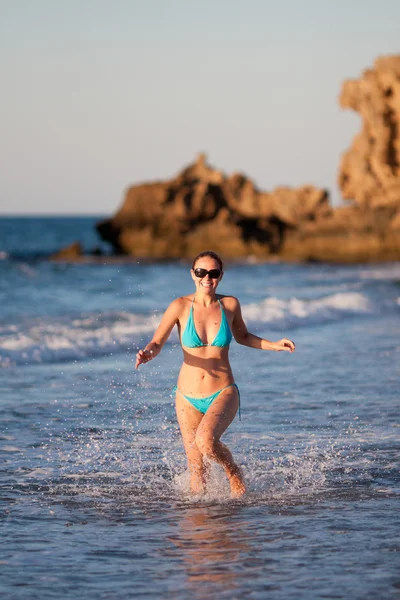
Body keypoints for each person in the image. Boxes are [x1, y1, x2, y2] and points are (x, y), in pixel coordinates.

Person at [135, 250, 295, 497]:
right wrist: (147, 352)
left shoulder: (229, 305)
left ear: (220, 275)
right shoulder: (179, 306)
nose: (207, 278)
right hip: (186, 396)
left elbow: (242, 336)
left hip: (223, 391)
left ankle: (233, 472)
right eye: (201, 272)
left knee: (206, 442)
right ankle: (202, 523)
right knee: (196, 469)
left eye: (213, 273)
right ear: (192, 274)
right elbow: (157, 342)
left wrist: (274, 344)